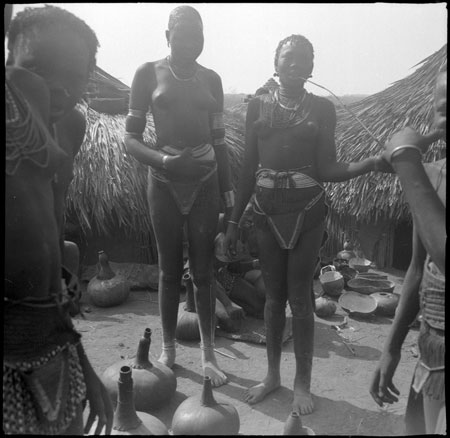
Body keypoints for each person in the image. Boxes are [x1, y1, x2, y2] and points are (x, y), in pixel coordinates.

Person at [224, 34, 389, 414]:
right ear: (276, 63)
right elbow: (248, 169)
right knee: (272, 300)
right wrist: (233, 222)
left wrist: (370, 163)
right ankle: (271, 376)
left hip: (307, 212)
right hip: (265, 214)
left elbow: (328, 168)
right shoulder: (258, 107)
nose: (295, 64)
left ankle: (302, 385)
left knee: (300, 299)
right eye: (288, 58)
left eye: (303, 59)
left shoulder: (322, 109)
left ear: (312, 68)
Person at [5, 4, 113, 434]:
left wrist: (81, 360)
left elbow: (52, 247)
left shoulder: (71, 126)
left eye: (75, 75)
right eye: (34, 69)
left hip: (50, 338)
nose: (58, 88)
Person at [124, 5, 233, 387]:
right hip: (164, 181)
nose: (191, 43)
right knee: (169, 270)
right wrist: (167, 162)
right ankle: (168, 350)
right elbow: (131, 139)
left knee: (204, 273)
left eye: (198, 36)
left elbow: (219, 141)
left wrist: (229, 192)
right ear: (166, 35)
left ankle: (208, 355)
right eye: (183, 34)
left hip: (205, 181)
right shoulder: (147, 73)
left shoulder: (212, 80)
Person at [369, 63, 446, 435]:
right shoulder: (432, 177)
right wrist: (392, 348)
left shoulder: (420, 176)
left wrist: (405, 161)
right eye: (442, 106)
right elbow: (419, 267)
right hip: (433, 354)